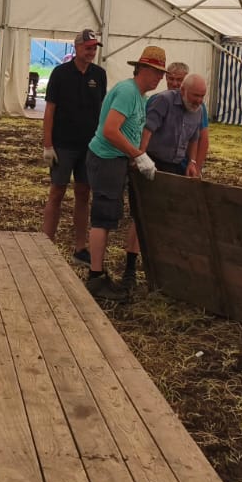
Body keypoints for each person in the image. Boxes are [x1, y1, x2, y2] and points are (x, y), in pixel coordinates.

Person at [84, 45, 166, 301]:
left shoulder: (140, 96)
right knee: (103, 217)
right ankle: (95, 277)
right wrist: (137, 154)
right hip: (106, 159)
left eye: (161, 74)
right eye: (156, 72)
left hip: (115, 160)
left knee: (108, 216)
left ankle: (98, 274)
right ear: (142, 69)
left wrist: (133, 155)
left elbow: (127, 129)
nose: (159, 78)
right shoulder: (128, 92)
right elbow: (110, 130)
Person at [41, 28, 107, 266]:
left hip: (89, 146)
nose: (91, 52)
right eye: (87, 48)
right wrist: (48, 144)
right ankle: (45, 245)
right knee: (56, 192)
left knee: (83, 193)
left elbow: (102, 109)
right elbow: (50, 110)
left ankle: (80, 248)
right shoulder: (60, 73)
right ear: (77, 47)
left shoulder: (99, 75)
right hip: (63, 145)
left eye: (94, 48)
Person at [144, 72, 207, 176]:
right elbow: (147, 129)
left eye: (202, 96)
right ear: (183, 90)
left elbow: (194, 139)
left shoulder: (198, 110)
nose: (199, 100)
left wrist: (192, 162)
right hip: (153, 161)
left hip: (176, 166)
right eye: (195, 95)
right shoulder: (164, 100)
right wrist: (141, 157)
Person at [161, 61, 209, 176]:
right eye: (171, 79)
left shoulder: (197, 105)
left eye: (179, 80)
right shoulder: (161, 100)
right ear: (166, 78)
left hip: (184, 165)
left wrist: (196, 167)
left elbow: (203, 138)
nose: (174, 83)